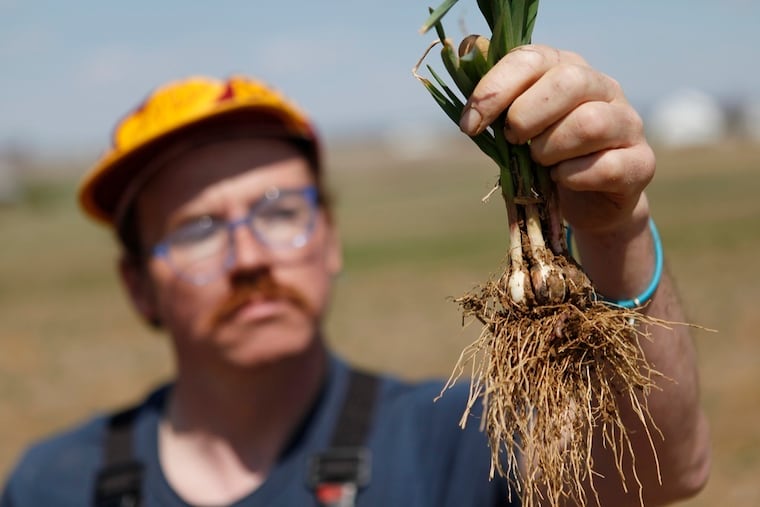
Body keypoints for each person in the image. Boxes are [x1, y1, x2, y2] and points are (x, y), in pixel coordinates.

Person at [1, 45, 710, 506]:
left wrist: (616, 231)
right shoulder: (54, 484)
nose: (249, 256)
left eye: (279, 211)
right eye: (197, 229)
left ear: (331, 237)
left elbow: (663, 471)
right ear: (136, 284)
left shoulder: (458, 440)